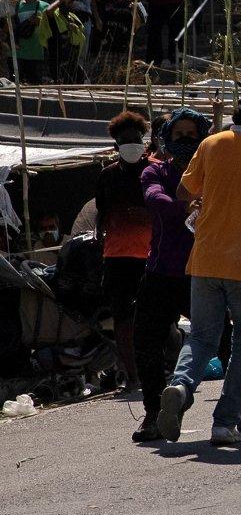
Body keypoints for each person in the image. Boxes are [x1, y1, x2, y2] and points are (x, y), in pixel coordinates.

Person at [158, 86, 241, 446]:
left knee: (202, 336)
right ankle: (224, 422)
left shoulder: (211, 144)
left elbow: (183, 192)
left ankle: (180, 387)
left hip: (207, 258)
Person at [132, 108, 212, 442]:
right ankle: (154, 413)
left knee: (223, 339)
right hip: (162, 271)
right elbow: (155, 199)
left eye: (191, 135)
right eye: (178, 135)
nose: (185, 141)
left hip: (205, 271)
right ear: (166, 139)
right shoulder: (155, 172)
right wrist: (186, 206)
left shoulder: (214, 172)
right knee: (146, 342)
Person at [95, 112, 153, 393]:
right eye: (125, 140)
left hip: (153, 256)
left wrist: (146, 216)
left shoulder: (155, 171)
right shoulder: (107, 176)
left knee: (154, 318)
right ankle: (132, 376)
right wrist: (100, 236)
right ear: (116, 145)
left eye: (136, 139)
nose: (132, 144)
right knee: (123, 319)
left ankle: (157, 368)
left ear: (144, 141)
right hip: (117, 257)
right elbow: (101, 214)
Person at [89, 0, 145, 81]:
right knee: (103, 80)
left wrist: (134, 11)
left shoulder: (132, 1)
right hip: (107, 48)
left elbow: (137, 26)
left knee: (122, 80)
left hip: (124, 49)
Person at [13, 0, 58, 85]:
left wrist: (41, 22)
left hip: (36, 54)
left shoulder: (46, 6)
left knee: (35, 87)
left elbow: (54, 27)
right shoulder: (17, 5)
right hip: (17, 53)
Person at [45, 0, 86, 82]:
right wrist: (60, 0)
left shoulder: (73, 17)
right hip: (58, 58)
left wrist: (74, 28)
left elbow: (80, 35)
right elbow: (48, 11)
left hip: (72, 58)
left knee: (81, 81)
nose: (67, 1)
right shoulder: (55, 15)